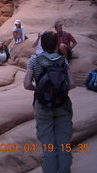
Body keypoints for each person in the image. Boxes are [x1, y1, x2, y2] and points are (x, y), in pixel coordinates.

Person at [24, 31, 76, 173]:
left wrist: (39, 90)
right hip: (63, 105)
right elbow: (72, 84)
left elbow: (27, 84)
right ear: (56, 44)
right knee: (64, 145)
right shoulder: (62, 60)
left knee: (48, 146)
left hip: (43, 107)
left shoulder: (34, 60)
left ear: (42, 44)